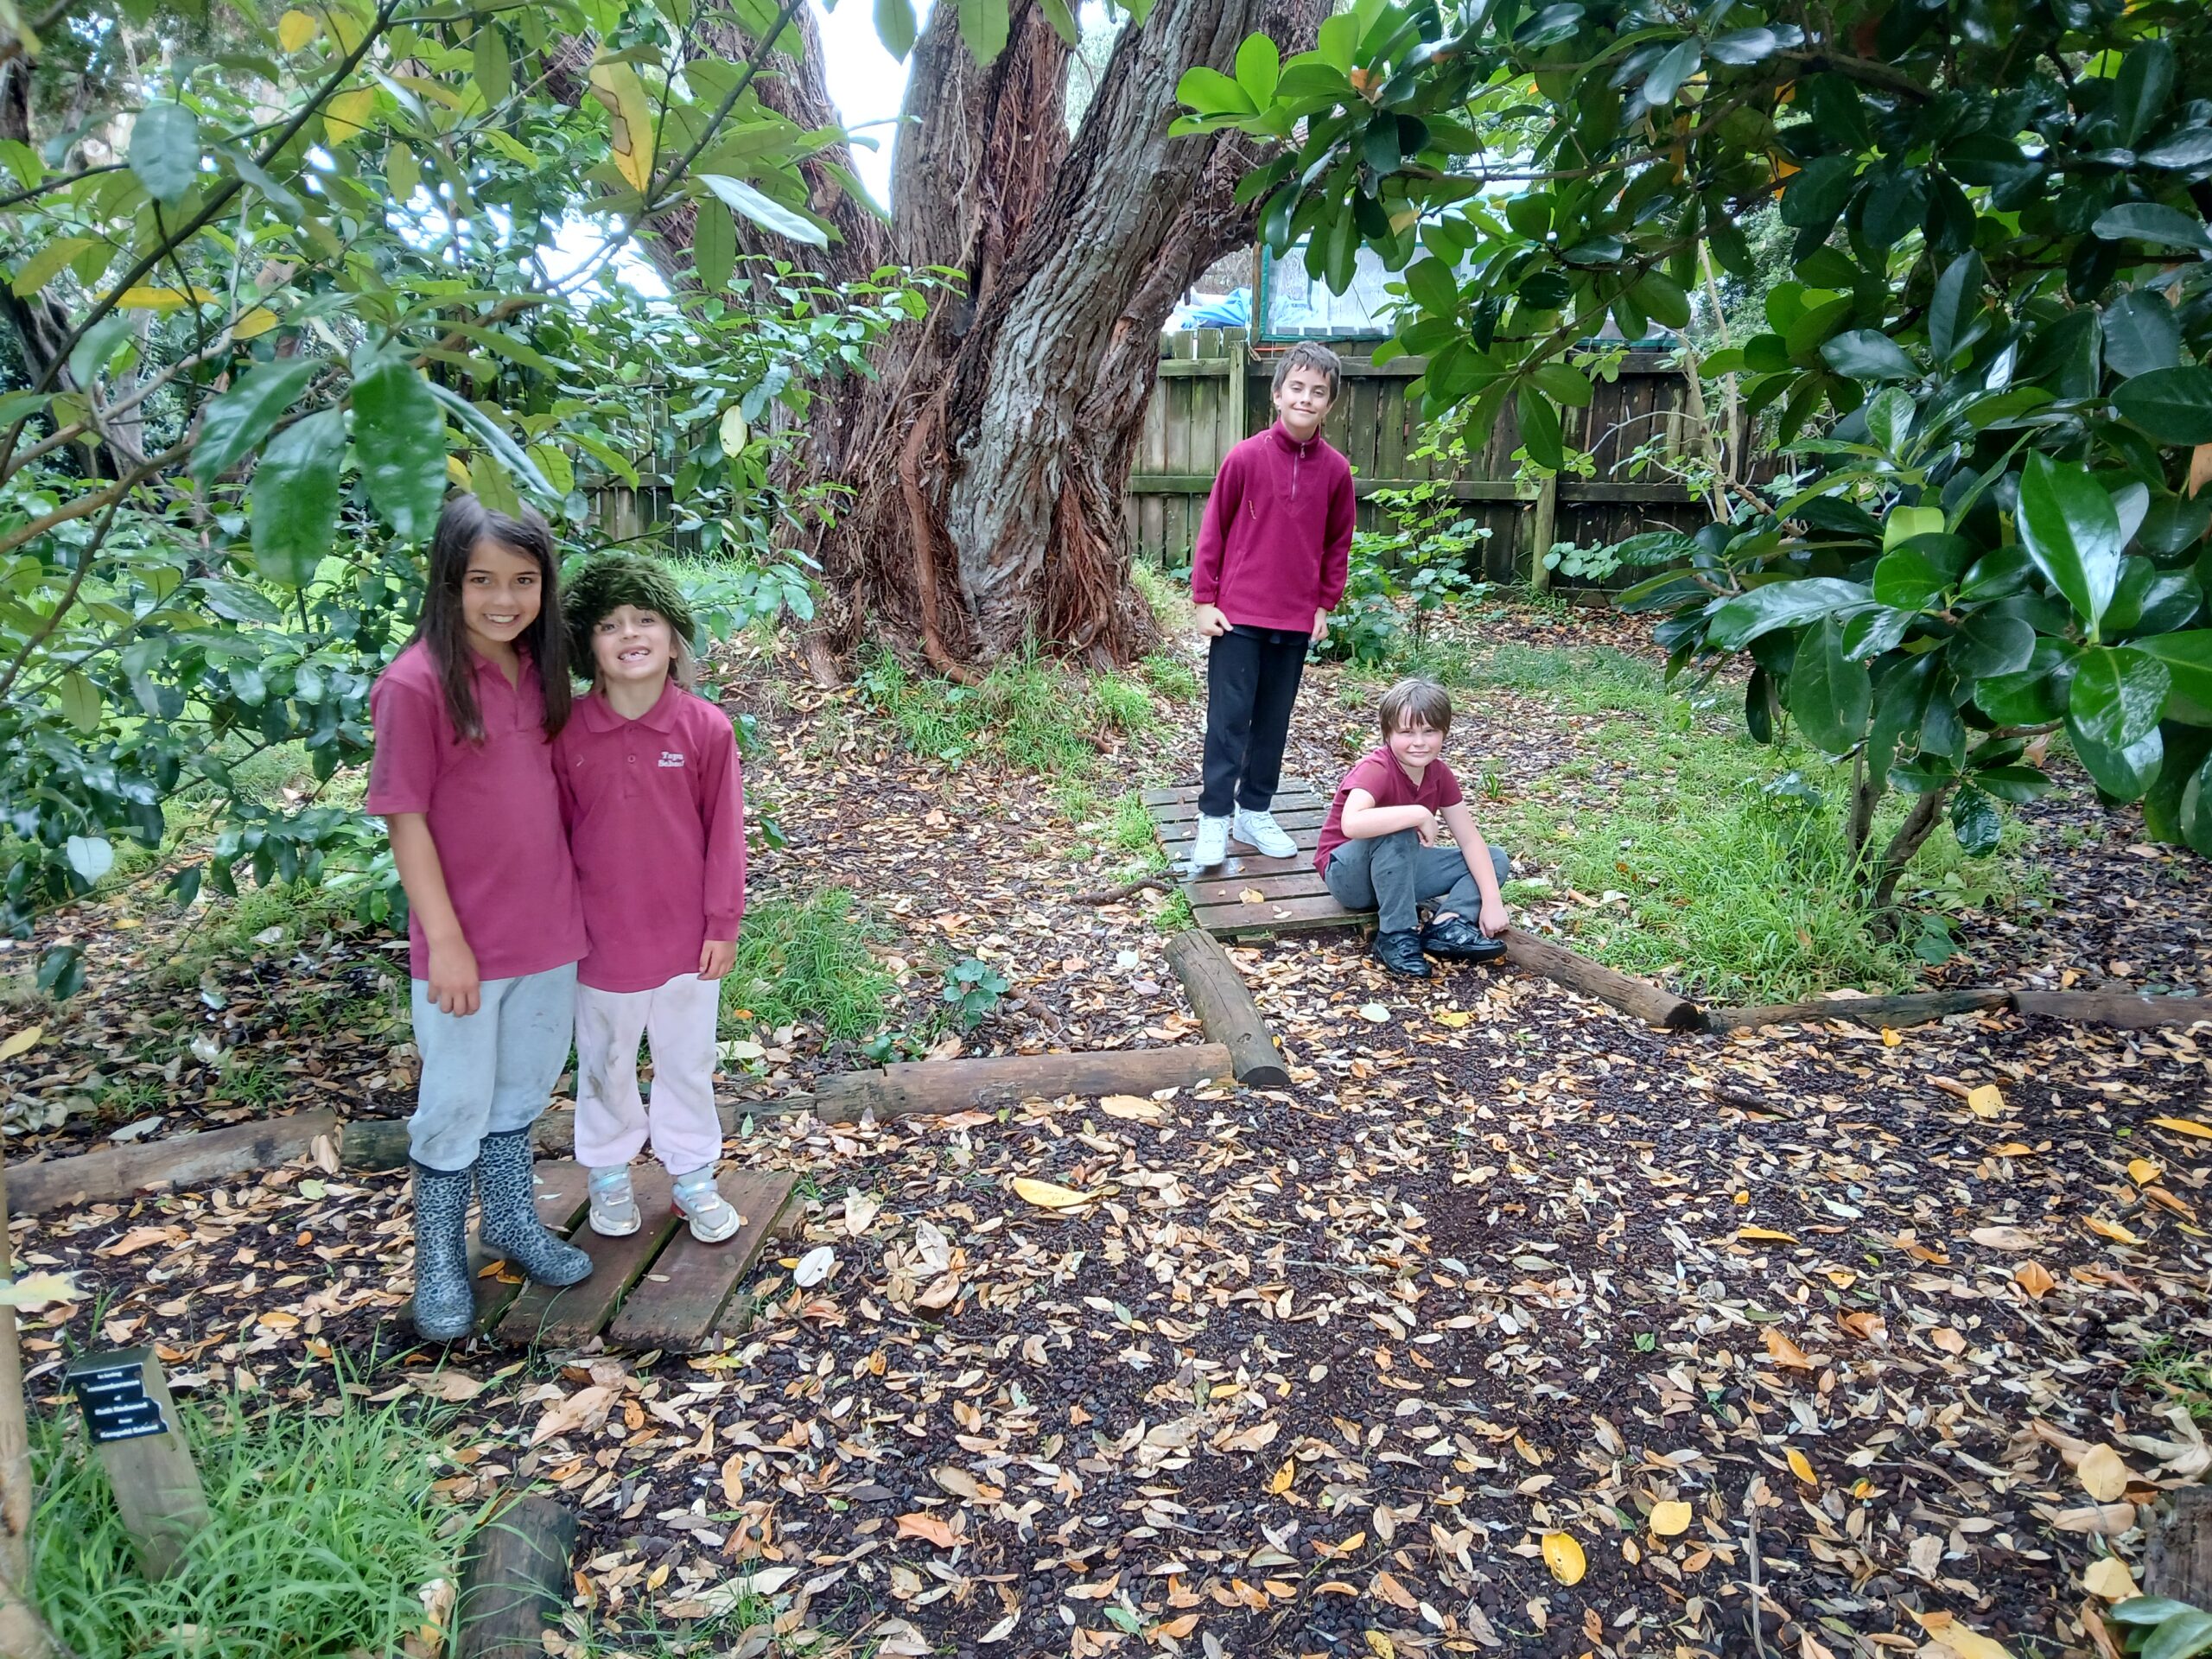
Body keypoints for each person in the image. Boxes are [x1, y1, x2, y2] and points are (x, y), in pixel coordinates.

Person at [366, 494, 594, 1342]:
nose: (504, 598)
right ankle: (437, 1259)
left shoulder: (540, 671)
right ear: (448, 581)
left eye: (524, 580)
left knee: (521, 1089)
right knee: (455, 1100)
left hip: (550, 932)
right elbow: (405, 818)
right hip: (467, 948)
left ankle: (507, 1222)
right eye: (483, 580)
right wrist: (448, 941)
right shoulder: (416, 682)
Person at [555, 553, 749, 1244]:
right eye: (609, 624)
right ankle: (608, 1173)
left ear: (673, 637)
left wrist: (723, 922)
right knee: (606, 1060)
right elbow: (554, 838)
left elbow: (725, 834)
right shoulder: (566, 732)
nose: (629, 634)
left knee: (687, 1062)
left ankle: (692, 1173)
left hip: (687, 941)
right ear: (587, 646)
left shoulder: (705, 729)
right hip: (599, 941)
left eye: (645, 619)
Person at [1186, 341, 1356, 871]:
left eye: (1319, 392)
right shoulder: (1245, 457)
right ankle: (1214, 820)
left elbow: (1337, 543)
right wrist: (1202, 600)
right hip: (1237, 618)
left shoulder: (1335, 472)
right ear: (1278, 393)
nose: (1306, 399)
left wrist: (1324, 606)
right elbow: (1213, 530)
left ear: (1330, 405)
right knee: (1229, 721)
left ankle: (1253, 812)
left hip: (1295, 619)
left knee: (1273, 723)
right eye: (1298, 388)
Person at [1313, 677, 1512, 980]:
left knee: (1493, 857)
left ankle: (1447, 923)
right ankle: (1396, 934)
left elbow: (1470, 840)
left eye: (1430, 731)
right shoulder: (1377, 769)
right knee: (1400, 830)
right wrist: (1417, 812)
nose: (1419, 742)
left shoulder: (1439, 774)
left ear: (1444, 733)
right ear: (1388, 734)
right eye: (1407, 732)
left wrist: (1492, 903)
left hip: (1397, 873)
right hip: (1349, 877)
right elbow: (1352, 823)